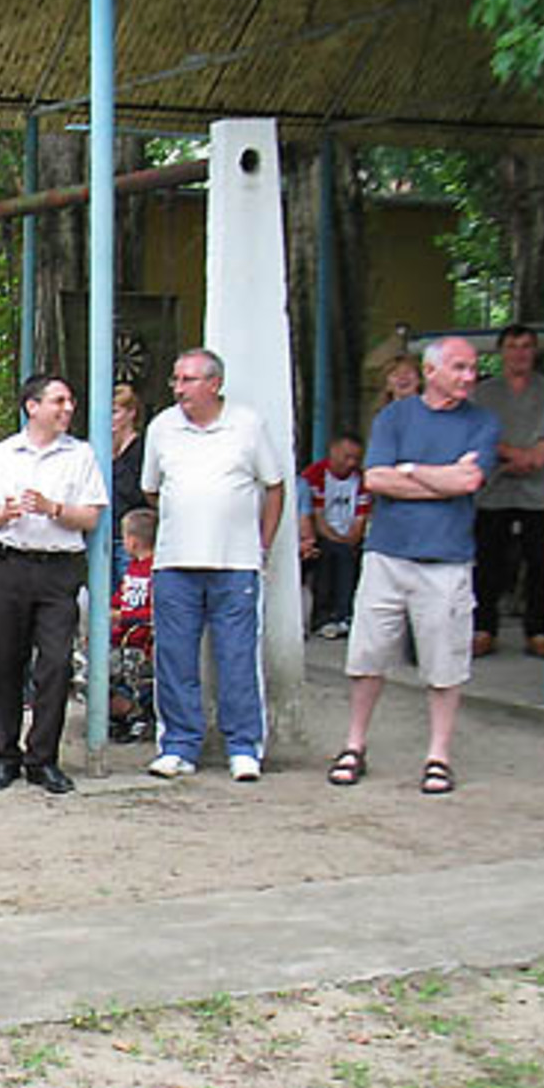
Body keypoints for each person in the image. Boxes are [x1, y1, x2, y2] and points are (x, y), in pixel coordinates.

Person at [330, 336, 498, 798]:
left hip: (448, 559)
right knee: (367, 657)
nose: (469, 377)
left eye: (472, 368)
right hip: (386, 554)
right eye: (459, 368)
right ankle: (354, 745)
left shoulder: (483, 421)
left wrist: (407, 470)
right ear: (431, 371)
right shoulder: (394, 417)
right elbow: (375, 478)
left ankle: (438, 756)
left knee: (445, 663)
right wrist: (440, 477)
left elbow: (469, 480)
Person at [139, 349, 285, 783]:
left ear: (215, 383)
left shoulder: (248, 424)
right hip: (174, 563)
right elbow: (152, 490)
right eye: (176, 379)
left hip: (235, 563)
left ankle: (244, 746)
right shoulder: (162, 427)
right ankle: (179, 745)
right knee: (175, 658)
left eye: (188, 380)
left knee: (238, 657)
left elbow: (274, 486)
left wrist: (262, 545)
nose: (179, 388)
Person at [0, 373, 108, 796]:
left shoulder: (80, 455)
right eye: (58, 401)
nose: (68, 408)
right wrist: (4, 513)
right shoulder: (2, 455)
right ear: (32, 406)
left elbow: (91, 516)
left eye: (69, 401)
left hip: (57, 569)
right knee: (5, 662)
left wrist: (54, 508)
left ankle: (42, 758)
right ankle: (4, 755)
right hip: (7, 565)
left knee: (55, 664)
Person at [471, 323, 544, 659]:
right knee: (488, 563)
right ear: (501, 351)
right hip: (495, 488)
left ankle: (538, 631)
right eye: (512, 346)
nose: (519, 353)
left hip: (541, 490)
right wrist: (512, 454)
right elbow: (475, 434)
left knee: (541, 563)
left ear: (535, 351)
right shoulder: (483, 393)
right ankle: (484, 629)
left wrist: (539, 455)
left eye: (526, 346)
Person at [299, 432, 371, 639]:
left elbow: (360, 519)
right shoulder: (314, 475)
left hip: (350, 538)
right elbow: (318, 519)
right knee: (330, 555)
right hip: (322, 536)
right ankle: (325, 617)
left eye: (356, 458)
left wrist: (351, 540)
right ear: (333, 452)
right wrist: (339, 540)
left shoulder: (361, 479)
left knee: (352, 556)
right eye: (346, 457)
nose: (351, 463)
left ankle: (346, 615)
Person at [108, 508, 157, 743]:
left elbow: (156, 611)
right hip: (120, 637)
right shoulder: (133, 568)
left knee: (121, 674)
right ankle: (122, 712)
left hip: (139, 640)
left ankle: (135, 712)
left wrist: (124, 617)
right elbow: (120, 598)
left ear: (133, 541)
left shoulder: (154, 570)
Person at [109, 383, 146, 585]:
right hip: (106, 533)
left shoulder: (141, 449)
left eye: (115, 412)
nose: (109, 418)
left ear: (131, 413)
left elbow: (136, 492)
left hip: (131, 537)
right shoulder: (102, 449)